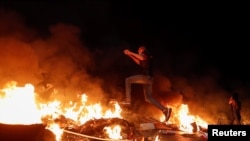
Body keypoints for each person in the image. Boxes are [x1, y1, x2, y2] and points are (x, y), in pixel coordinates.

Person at [121, 45, 172, 122]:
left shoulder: (145, 54)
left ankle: (128, 100)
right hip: (149, 79)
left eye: (139, 50)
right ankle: (165, 110)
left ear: (142, 49)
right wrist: (129, 55)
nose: (138, 51)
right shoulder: (146, 58)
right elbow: (139, 62)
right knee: (148, 98)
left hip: (146, 77)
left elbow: (141, 57)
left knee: (128, 80)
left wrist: (130, 52)